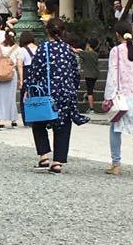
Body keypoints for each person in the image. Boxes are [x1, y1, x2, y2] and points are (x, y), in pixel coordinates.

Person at [22, 18, 87, 173]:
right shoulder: (69, 49)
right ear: (62, 31)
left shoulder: (43, 48)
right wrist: (73, 88)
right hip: (66, 91)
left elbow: (35, 70)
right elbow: (75, 72)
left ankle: (44, 156)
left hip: (47, 91)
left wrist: (28, 89)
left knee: (39, 121)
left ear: (47, 31)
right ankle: (58, 161)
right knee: (63, 125)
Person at [103, 23, 133, 178]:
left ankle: (116, 164)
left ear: (117, 34)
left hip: (122, 97)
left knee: (115, 129)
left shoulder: (116, 51)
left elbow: (113, 75)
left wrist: (108, 97)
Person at [0, 27, 23, 128]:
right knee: (11, 98)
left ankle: (1, 121)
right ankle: (13, 120)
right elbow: (20, 65)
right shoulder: (17, 49)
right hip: (11, 75)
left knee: (0, 98)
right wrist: (21, 79)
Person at [78, 38, 100, 113]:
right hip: (95, 74)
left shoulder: (86, 53)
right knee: (90, 88)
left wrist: (68, 47)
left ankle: (91, 109)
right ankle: (86, 96)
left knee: (90, 91)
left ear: (88, 45)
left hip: (89, 75)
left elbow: (75, 51)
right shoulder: (95, 54)